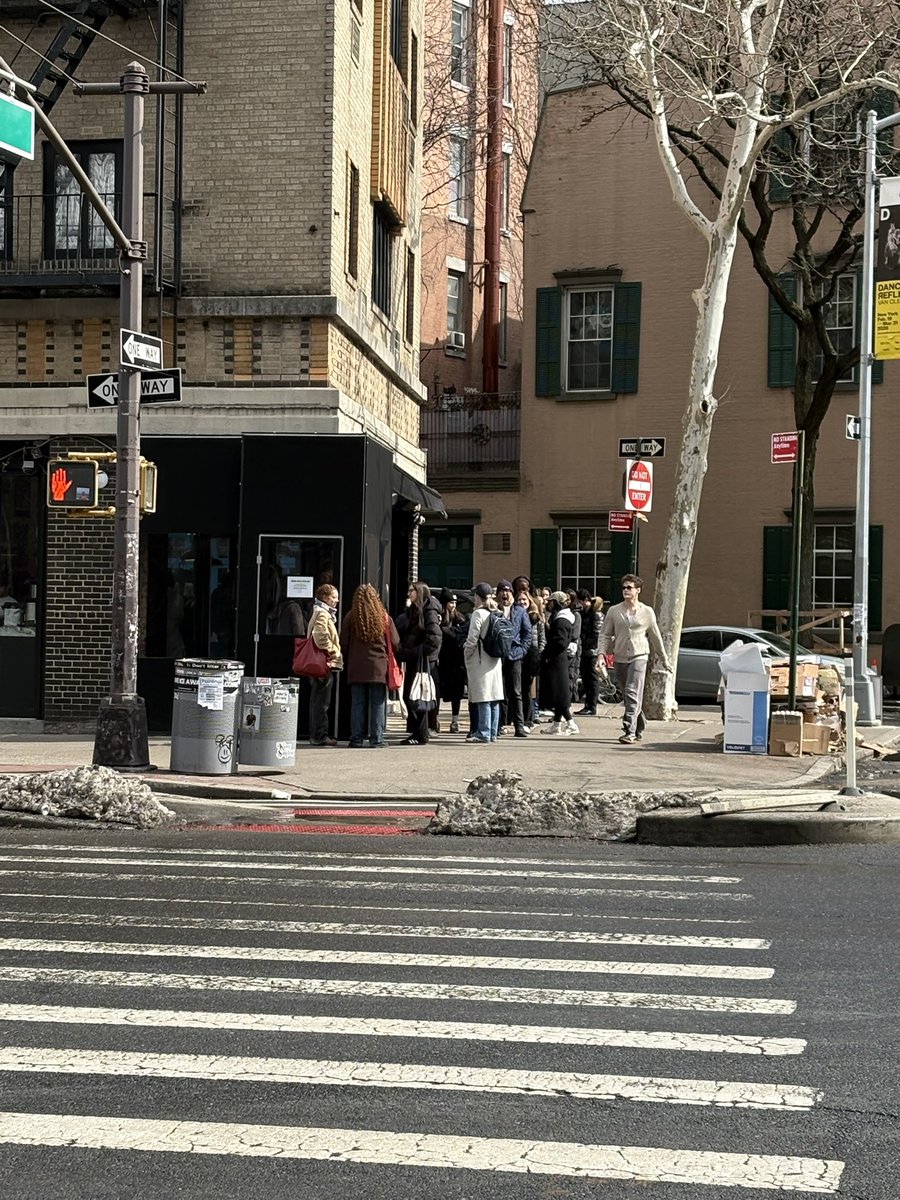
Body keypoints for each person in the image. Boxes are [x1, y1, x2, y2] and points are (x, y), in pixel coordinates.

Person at [596, 573, 671, 745]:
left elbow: (655, 637)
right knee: (628, 693)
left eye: (629, 588)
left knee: (631, 691)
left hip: (640, 656)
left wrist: (664, 659)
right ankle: (640, 723)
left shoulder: (647, 612)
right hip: (620, 657)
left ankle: (629, 730)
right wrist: (601, 654)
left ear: (638, 590)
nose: (625, 590)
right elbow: (605, 635)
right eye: (623, 588)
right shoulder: (614, 611)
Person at [340, 584, 399, 748]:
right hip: (378, 667)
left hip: (356, 666)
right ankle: (377, 739)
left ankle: (356, 738)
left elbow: (343, 643)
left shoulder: (351, 617)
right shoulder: (383, 617)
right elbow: (395, 642)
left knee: (357, 703)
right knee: (378, 703)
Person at [398, 581, 442, 745]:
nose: (409, 593)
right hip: (414, 659)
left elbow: (435, 639)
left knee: (418, 695)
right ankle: (418, 733)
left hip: (423, 661)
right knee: (410, 695)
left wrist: (416, 652)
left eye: (412, 590)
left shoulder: (429, 611)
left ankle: (420, 734)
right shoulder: (413, 611)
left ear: (420, 592)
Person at [464, 582, 504, 742]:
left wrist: (467, 653)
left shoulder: (478, 614)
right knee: (494, 696)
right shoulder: (497, 613)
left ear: (478, 597)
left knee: (483, 697)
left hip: (481, 659)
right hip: (495, 659)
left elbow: (472, 637)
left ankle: (483, 732)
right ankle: (493, 732)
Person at [494, 579, 532, 737]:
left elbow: (527, 634)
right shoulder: (494, 611)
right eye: (502, 591)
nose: (505, 594)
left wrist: (522, 650)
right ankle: (499, 724)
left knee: (516, 692)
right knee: (498, 692)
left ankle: (519, 725)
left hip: (515, 655)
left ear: (512, 594)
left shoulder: (520, 611)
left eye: (508, 591)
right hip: (497, 657)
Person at [307, 583, 343, 747]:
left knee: (317, 700)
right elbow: (320, 636)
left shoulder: (320, 612)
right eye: (333, 597)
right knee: (322, 702)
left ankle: (317, 734)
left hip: (320, 662)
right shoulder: (322, 614)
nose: (336, 600)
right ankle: (319, 735)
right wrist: (332, 652)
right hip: (324, 663)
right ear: (324, 597)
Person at [541, 591, 579, 735]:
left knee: (559, 692)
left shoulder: (561, 620)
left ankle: (571, 723)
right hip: (557, 659)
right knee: (558, 692)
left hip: (556, 660)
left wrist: (547, 653)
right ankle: (556, 724)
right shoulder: (560, 618)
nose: (547, 603)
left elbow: (560, 642)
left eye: (550, 601)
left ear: (556, 603)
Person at [437, 589, 467, 733]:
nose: (453, 605)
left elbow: (460, 635)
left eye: (455, 603)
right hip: (441, 660)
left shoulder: (460, 619)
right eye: (450, 602)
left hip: (456, 661)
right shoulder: (439, 618)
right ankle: (434, 719)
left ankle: (455, 720)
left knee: (457, 693)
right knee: (438, 691)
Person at [576, 590, 605, 716]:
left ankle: (591, 706)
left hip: (592, 652)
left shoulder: (596, 615)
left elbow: (596, 635)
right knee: (587, 680)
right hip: (585, 651)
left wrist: (585, 644)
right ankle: (588, 705)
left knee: (592, 680)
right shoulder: (585, 614)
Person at [518, 589, 545, 728]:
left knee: (529, 690)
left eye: (525, 600)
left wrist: (538, 655)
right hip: (518, 655)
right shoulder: (514, 615)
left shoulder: (536, 618)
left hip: (531, 655)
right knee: (517, 689)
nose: (522, 602)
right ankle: (517, 718)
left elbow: (542, 639)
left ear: (530, 602)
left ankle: (528, 719)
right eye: (520, 600)